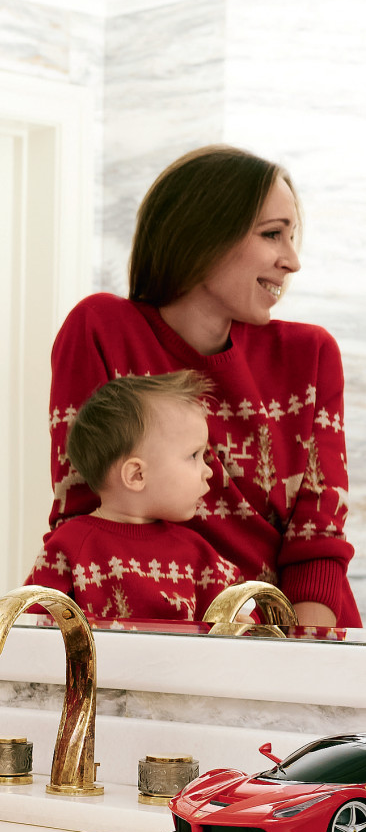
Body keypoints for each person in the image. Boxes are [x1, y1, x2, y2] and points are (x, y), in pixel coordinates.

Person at [43, 145, 358, 628]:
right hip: (154, 631)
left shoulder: (310, 355)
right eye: (272, 234)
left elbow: (318, 543)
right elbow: (86, 517)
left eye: (292, 237)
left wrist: (295, 652)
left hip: (290, 631)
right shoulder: (101, 329)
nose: (292, 261)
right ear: (202, 234)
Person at [27, 371, 239, 622]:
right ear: (137, 475)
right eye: (194, 455)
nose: (209, 471)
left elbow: (241, 609)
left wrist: (240, 621)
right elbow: (31, 622)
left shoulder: (198, 555)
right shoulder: (68, 547)